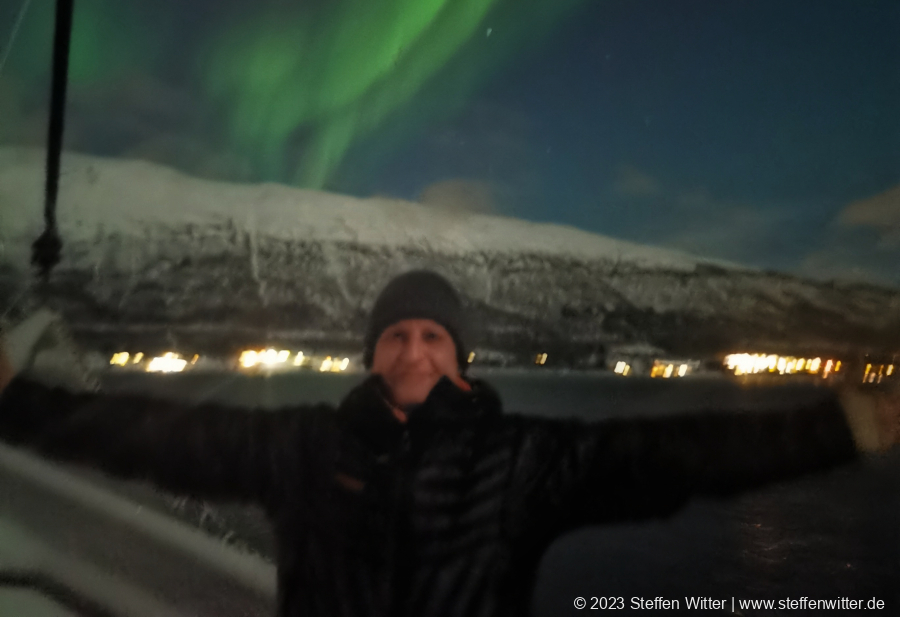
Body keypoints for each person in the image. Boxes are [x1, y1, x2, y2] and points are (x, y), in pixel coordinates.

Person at [0, 269, 897, 617]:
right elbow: (150, 436)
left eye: (433, 336)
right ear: (371, 355)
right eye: (396, 335)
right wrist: (16, 401)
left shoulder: (519, 460)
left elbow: (670, 457)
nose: (414, 350)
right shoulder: (303, 444)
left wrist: (843, 427)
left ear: (460, 357)